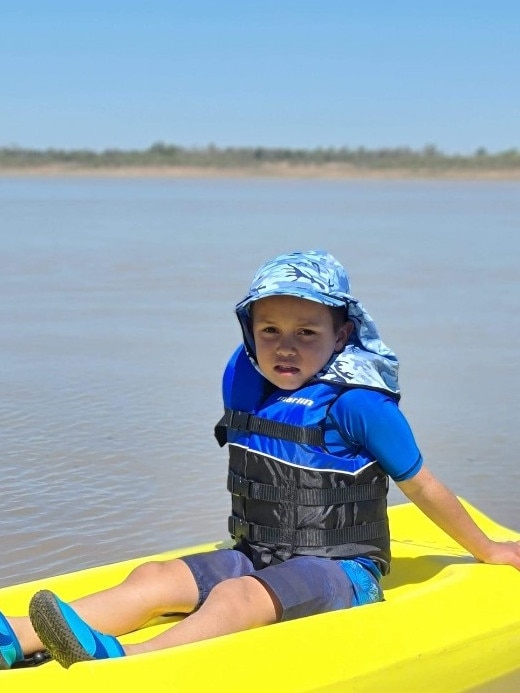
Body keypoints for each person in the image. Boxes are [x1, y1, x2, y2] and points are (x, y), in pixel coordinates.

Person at [2, 249, 520, 671]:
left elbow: (421, 484)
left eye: (307, 333)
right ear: (250, 333)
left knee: (236, 598)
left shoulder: (359, 404)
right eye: (270, 330)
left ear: (341, 335)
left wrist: (487, 549)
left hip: (340, 568)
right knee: (153, 577)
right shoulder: (247, 382)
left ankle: (127, 660)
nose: (285, 348)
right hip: (259, 549)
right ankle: (18, 638)